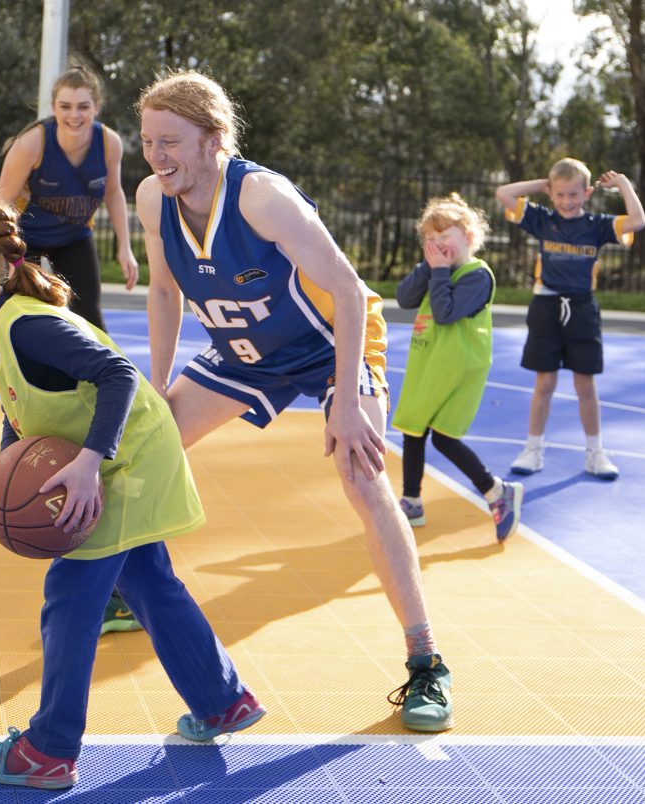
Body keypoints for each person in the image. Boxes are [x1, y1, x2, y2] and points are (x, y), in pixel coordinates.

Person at [0, 196, 265, 790]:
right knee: (148, 580)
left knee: (70, 595)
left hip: (125, 462)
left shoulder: (31, 325)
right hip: (126, 459)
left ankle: (50, 749)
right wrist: (9, 464)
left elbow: (116, 375)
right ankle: (222, 701)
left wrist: (90, 462)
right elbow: (24, 405)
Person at [131, 69, 452, 733]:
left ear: (213, 140)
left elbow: (352, 288)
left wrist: (345, 402)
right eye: (147, 142)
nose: (157, 156)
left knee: (362, 477)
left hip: (333, 339)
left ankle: (426, 662)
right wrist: (159, 387)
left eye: (171, 141)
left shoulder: (261, 198)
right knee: (142, 446)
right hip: (247, 349)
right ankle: (126, 585)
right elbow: (163, 293)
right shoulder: (152, 199)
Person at [0, 63, 139, 455]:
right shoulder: (33, 144)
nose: (75, 115)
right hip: (25, 237)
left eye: (83, 106)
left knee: (93, 324)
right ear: (54, 108)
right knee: (4, 328)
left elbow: (115, 194)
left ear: (97, 107)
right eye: (66, 106)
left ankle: (99, 413)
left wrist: (125, 246)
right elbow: (1, 204)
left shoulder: (109, 144)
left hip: (74, 238)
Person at [496, 158, 645, 479]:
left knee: (585, 385)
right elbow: (503, 193)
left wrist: (623, 185)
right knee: (545, 382)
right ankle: (533, 448)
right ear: (552, 194)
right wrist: (542, 184)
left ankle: (595, 453)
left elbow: (638, 221)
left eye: (573, 195)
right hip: (545, 308)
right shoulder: (541, 219)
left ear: (587, 193)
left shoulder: (597, 225)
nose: (566, 201)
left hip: (581, 309)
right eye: (560, 194)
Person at [392, 194, 523, 542]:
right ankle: (412, 501)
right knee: (414, 429)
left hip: (460, 367)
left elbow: (446, 312)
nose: (437, 245)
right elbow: (405, 299)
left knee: (445, 437)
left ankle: (496, 491)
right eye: (430, 240)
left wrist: (437, 272)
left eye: (444, 237)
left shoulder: (477, 276)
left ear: (467, 236)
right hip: (430, 361)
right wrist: (428, 266)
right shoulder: (436, 268)